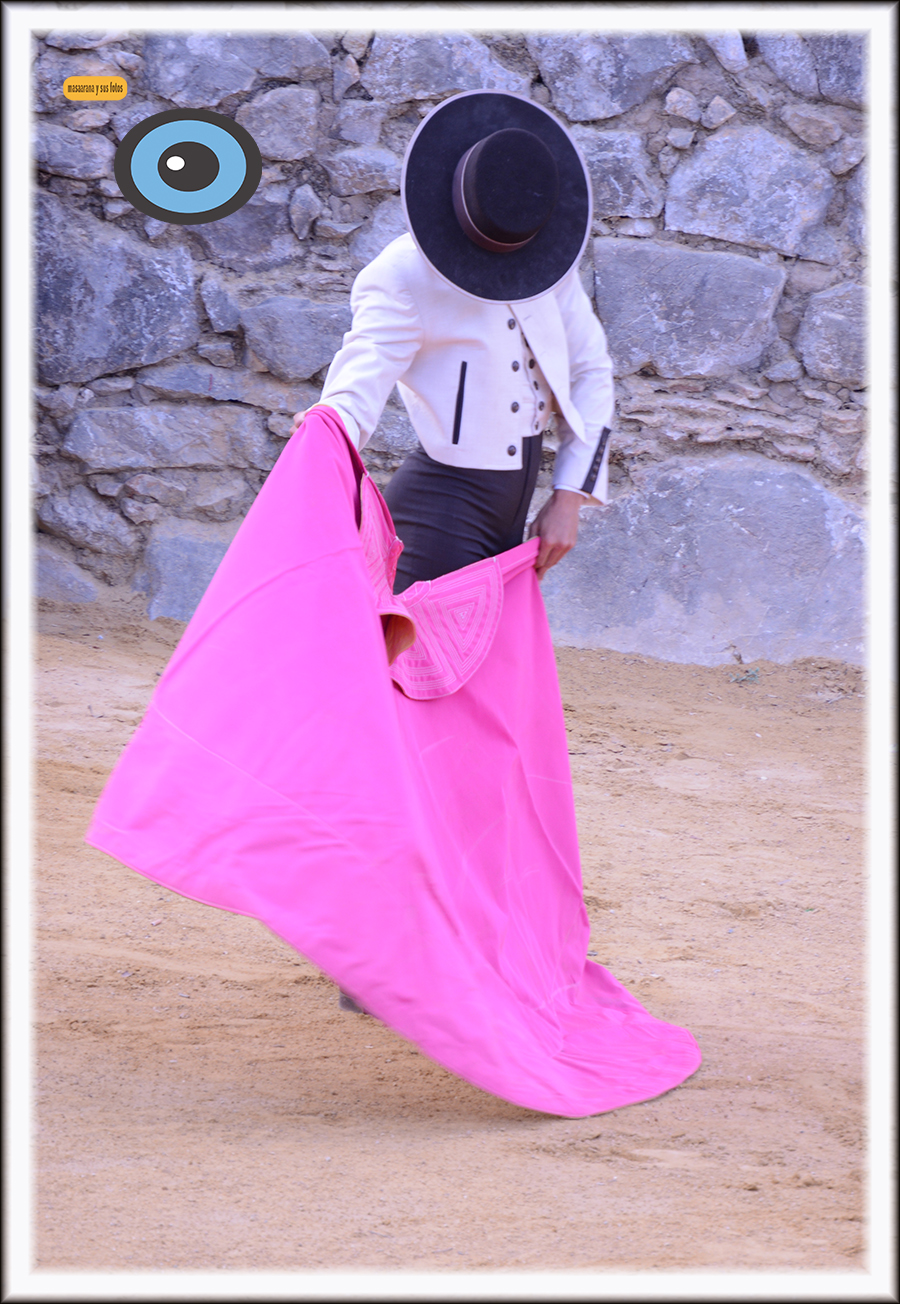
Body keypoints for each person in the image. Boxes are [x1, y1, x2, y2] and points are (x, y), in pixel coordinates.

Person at [290, 89, 615, 595]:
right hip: (440, 514)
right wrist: (330, 428)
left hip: (512, 514)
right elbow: (363, 371)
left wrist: (569, 495)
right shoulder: (403, 274)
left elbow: (591, 369)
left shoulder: (547, 255)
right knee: (405, 649)